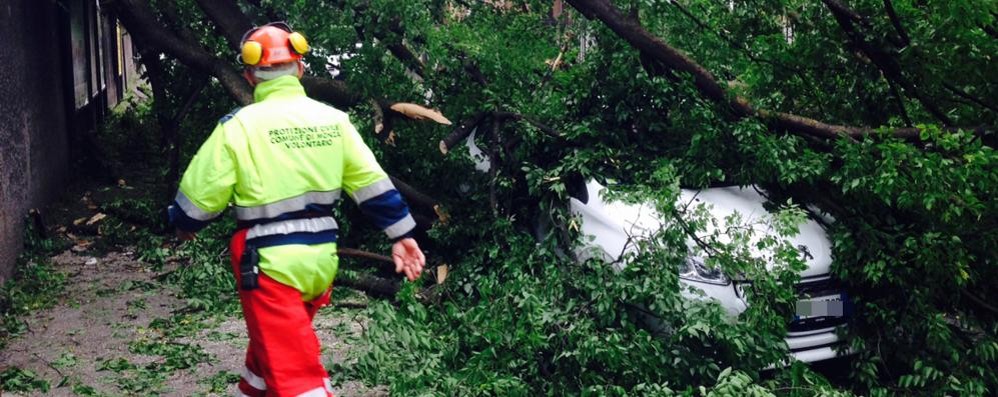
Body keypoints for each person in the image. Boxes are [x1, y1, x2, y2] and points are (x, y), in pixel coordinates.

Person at [167, 22, 425, 397]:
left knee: (299, 378)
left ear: (250, 76)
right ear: (300, 69)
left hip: (271, 267)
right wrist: (402, 236)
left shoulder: (239, 127)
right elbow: (372, 184)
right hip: (320, 264)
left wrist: (182, 222)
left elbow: (200, 195)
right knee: (268, 353)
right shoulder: (334, 122)